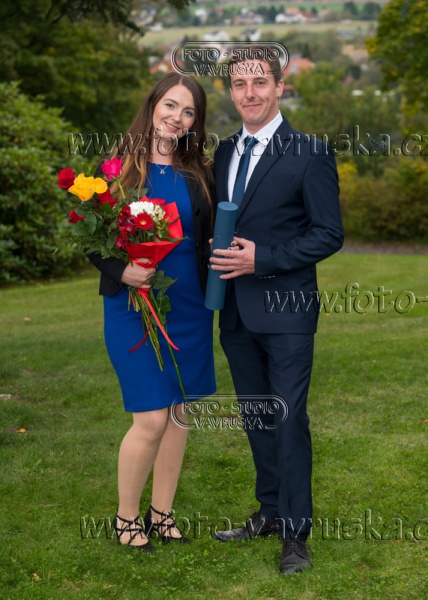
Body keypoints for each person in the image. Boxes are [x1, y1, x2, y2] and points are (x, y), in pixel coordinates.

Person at [210, 48, 344, 573]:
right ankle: (268, 511)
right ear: (231, 91)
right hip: (235, 313)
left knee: (288, 420)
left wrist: (262, 259)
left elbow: (328, 234)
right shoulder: (224, 152)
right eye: (239, 84)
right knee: (256, 417)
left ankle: (295, 534)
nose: (250, 93)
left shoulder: (310, 153)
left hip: (287, 312)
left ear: (279, 86)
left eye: (259, 82)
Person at [88, 72, 216, 552]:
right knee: (151, 419)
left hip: (189, 308)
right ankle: (126, 517)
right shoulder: (117, 169)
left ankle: (162, 514)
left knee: (179, 413)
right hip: (131, 305)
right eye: (170, 105)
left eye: (189, 112)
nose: (177, 118)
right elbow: (91, 237)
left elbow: (207, 236)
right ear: (153, 104)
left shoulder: (199, 172)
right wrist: (121, 270)